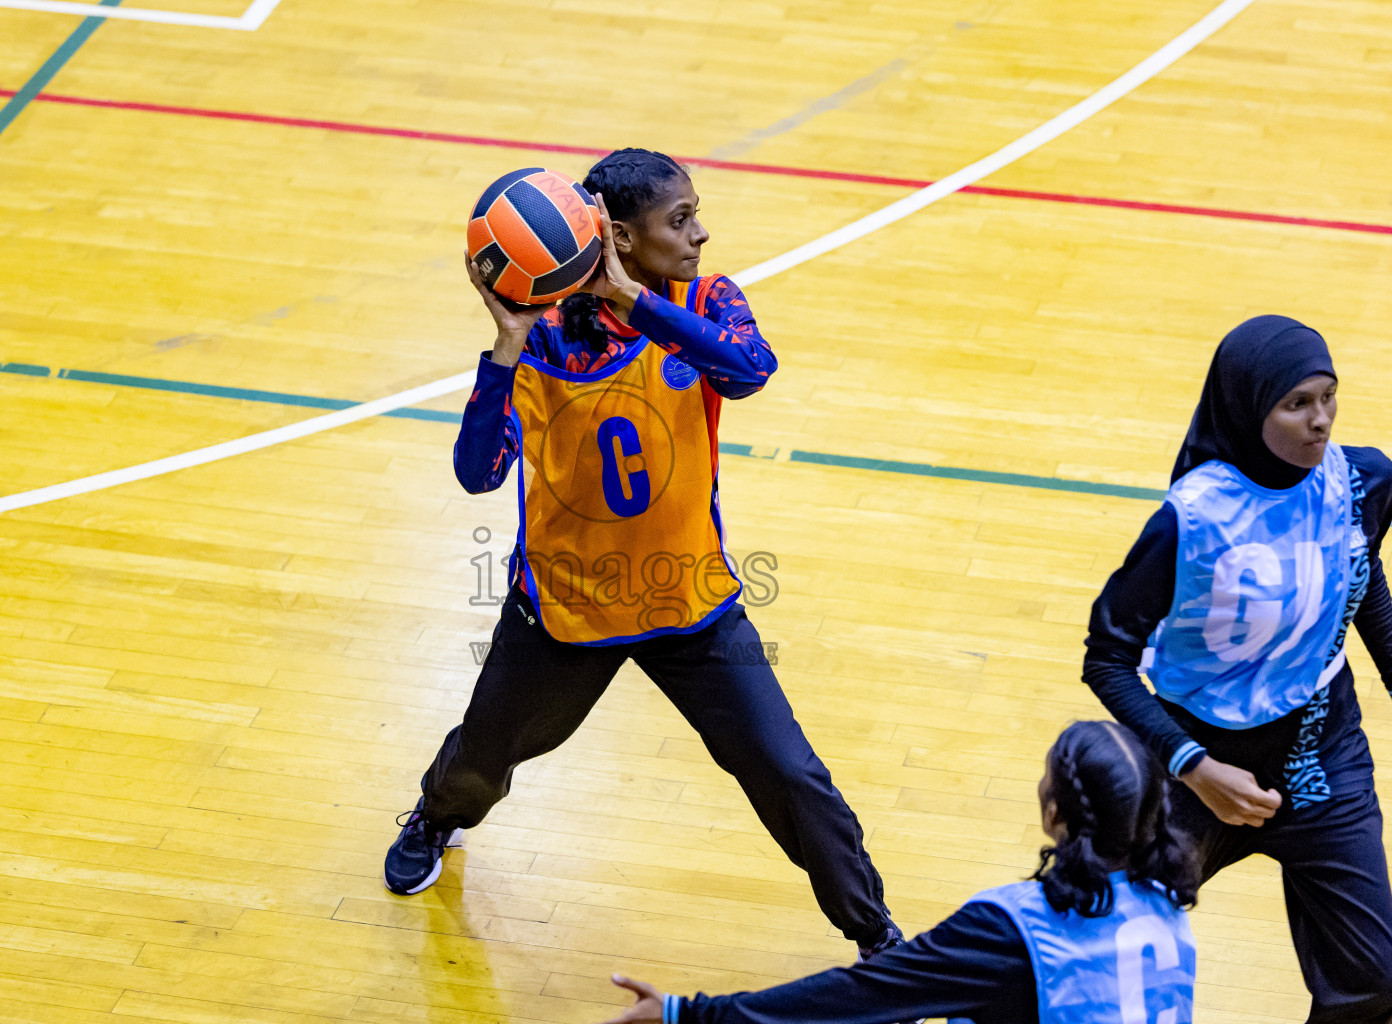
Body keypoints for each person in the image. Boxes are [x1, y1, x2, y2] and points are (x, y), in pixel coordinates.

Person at [384, 148, 905, 956]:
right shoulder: (546, 341)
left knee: (791, 775)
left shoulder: (705, 303)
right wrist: (506, 344)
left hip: (688, 600)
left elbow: (748, 371)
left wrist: (635, 302)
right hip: (564, 609)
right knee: (483, 760)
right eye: (681, 220)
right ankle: (435, 818)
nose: (701, 233)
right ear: (621, 236)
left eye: (695, 214)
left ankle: (877, 939)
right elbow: (476, 474)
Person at [1084, 315, 1392, 1023]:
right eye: (1297, 404)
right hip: (1194, 759)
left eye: (1328, 397)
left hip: (1321, 750)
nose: (1321, 422)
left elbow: (1360, 572)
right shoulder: (1189, 520)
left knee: (1374, 982)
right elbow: (1107, 659)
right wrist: (1193, 765)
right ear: (1249, 410)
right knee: (1096, 960)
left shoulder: (1363, 481)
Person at [596, 720, 1200, 1024]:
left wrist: (689, 1013)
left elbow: (857, 998)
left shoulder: (1012, 931)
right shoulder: (1168, 904)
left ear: (1052, 811)